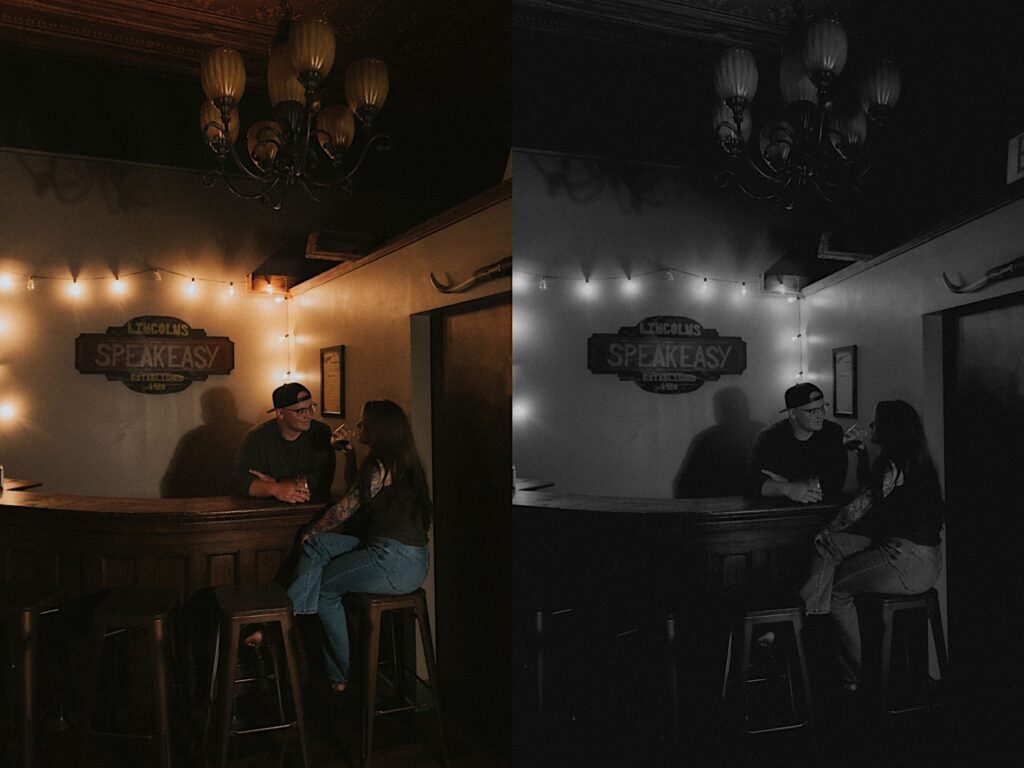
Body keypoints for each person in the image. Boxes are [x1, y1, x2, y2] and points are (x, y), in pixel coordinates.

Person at [273, 399, 432, 693]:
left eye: (363, 422)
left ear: (378, 429)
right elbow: (359, 492)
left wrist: (311, 528)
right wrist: (348, 455)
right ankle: (292, 612)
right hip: (406, 557)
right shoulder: (404, 462)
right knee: (319, 545)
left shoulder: (381, 465)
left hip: (393, 561)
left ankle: (339, 674)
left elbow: (346, 508)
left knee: (323, 588)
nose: (359, 427)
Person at [799, 399, 944, 692]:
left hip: (906, 559)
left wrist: (825, 527)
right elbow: (877, 493)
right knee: (828, 546)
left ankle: (854, 675)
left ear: (890, 429)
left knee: (838, 589)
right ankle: (811, 613)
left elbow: (860, 507)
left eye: (877, 422)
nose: (871, 426)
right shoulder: (914, 459)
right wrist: (862, 455)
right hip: (914, 554)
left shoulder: (893, 462)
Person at [230, 382, 346, 502]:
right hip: (268, 511)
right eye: (301, 411)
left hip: (313, 508)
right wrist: (275, 489)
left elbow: (321, 481)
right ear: (280, 413)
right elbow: (239, 482)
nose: (309, 416)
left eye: (311, 408)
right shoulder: (257, 437)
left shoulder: (321, 432)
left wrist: (275, 483)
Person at [744, 382, 849, 503]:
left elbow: (835, 482)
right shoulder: (771, 437)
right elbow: (752, 483)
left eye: (822, 408)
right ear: (792, 413)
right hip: (780, 511)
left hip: (825, 508)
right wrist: (787, 489)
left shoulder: (832, 433)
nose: (820, 415)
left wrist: (786, 482)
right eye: (812, 411)